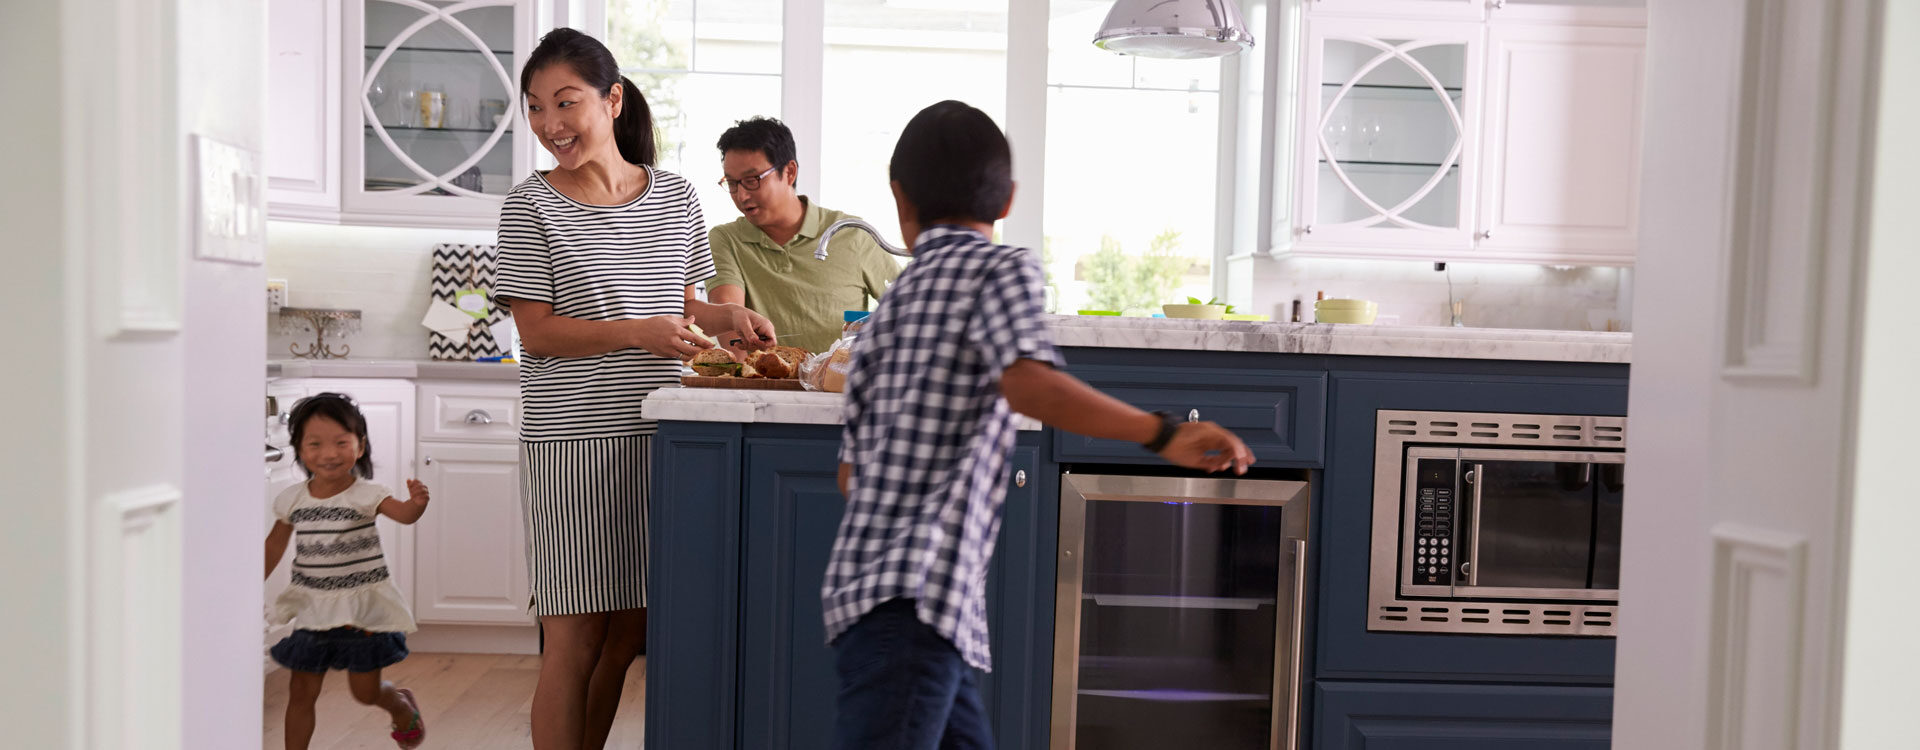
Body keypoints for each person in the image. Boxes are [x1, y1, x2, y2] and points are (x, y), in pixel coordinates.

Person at [822, 100, 1257, 750]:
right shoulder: (1001, 268)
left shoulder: (888, 311)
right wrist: (1162, 433)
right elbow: (1027, 379)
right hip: (922, 595)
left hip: (876, 599)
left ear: (898, 197)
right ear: (1008, 201)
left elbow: (851, 477)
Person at [493, 27, 778, 750]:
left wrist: (727, 317)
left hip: (661, 437)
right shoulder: (530, 208)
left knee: (628, 631)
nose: (550, 124)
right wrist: (636, 331)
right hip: (571, 443)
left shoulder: (676, 197)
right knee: (573, 638)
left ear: (612, 99)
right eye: (535, 108)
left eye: (566, 102)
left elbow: (678, 304)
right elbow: (540, 332)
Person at [263, 393, 433, 750]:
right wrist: (246, 584)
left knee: (366, 692)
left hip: (362, 614)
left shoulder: (367, 494)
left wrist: (416, 505)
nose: (329, 453)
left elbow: (402, 514)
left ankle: (401, 707)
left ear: (360, 447)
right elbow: (274, 546)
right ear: (300, 449)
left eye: (341, 443)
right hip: (313, 609)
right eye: (315, 444)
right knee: (301, 693)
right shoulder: (292, 500)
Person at [708, 116, 902, 354]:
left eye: (751, 180)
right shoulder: (726, 240)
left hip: (837, 388)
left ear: (789, 172)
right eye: (732, 183)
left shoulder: (852, 234)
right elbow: (729, 321)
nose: (741, 195)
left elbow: (908, 310)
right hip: (762, 386)